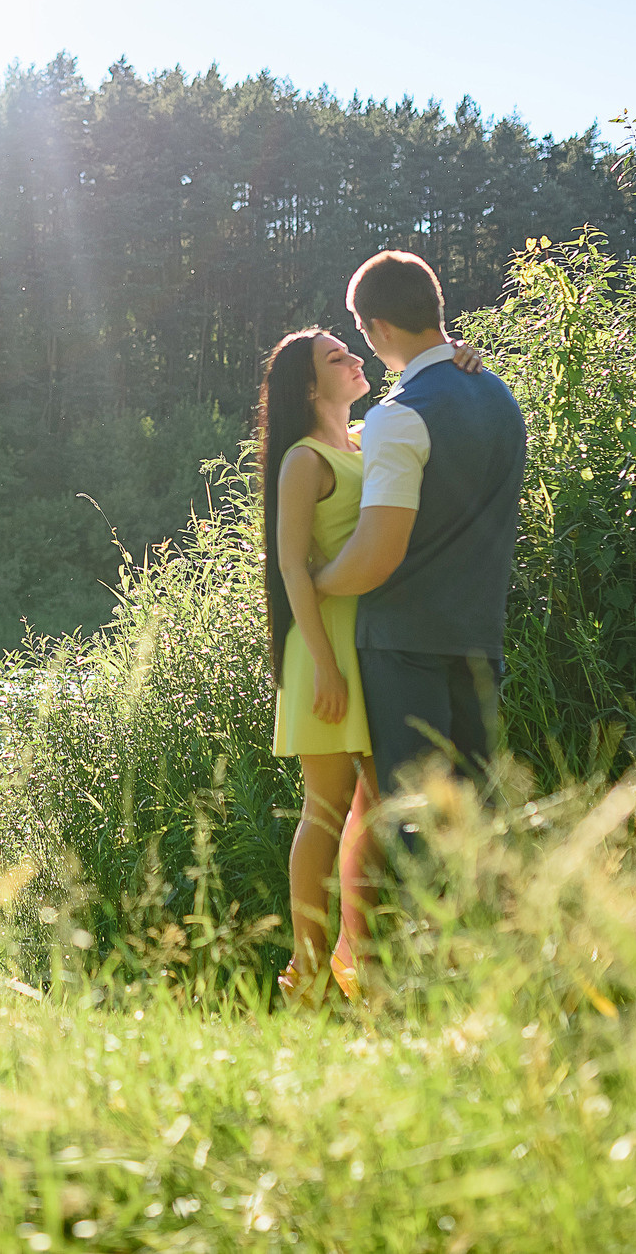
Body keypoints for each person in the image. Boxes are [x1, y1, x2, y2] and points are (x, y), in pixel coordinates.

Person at [258, 324, 489, 1007]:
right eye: (337, 357)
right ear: (308, 385)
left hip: (368, 647)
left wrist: (459, 363)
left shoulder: (361, 442)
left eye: (353, 348)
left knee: (376, 805)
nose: (355, 358)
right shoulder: (305, 459)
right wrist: (326, 666)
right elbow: (292, 567)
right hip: (323, 651)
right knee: (325, 810)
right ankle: (305, 974)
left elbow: (425, 422)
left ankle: (359, 963)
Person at [313, 250, 528, 871]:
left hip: (403, 646)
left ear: (375, 327)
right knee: (478, 826)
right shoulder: (501, 398)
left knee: (415, 832)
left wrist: (315, 579)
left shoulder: (399, 416)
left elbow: (377, 557)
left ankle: (425, 965)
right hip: (480, 641)